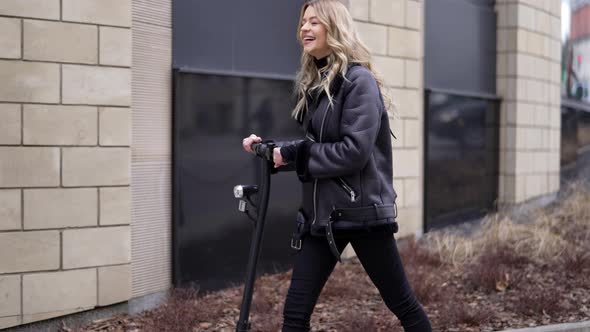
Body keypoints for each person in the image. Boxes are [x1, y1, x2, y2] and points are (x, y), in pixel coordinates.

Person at [242, 0, 432, 331]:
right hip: (322, 216)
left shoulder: (359, 82)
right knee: (295, 314)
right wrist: (274, 151)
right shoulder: (320, 83)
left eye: (314, 22)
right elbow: (316, 147)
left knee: (403, 304)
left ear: (335, 27)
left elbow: (353, 152)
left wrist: (293, 156)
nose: (304, 28)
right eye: (303, 22)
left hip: (362, 215)